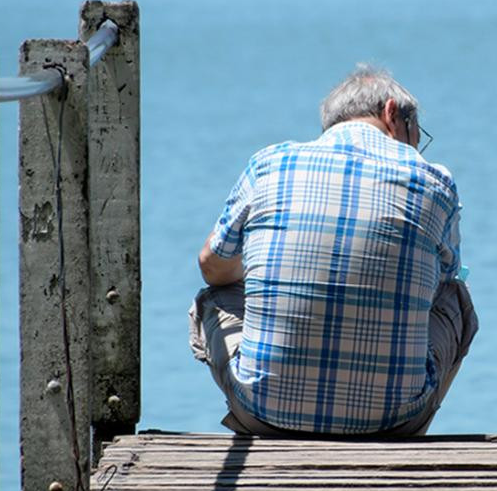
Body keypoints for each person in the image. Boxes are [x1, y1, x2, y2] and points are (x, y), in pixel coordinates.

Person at [189, 64, 477, 436]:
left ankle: (272, 403)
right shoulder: (434, 178)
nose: (415, 149)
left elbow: (210, 264)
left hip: (262, 412)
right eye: (416, 137)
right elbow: (444, 277)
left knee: (216, 296)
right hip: (393, 421)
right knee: (455, 298)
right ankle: (402, 419)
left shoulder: (270, 163)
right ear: (392, 113)